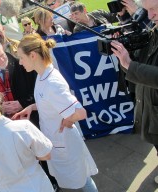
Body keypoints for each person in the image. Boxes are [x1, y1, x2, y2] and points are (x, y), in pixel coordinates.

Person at [13, 33, 98, 191]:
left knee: (83, 180)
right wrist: (32, 107)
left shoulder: (52, 83)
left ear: (33, 55)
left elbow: (80, 113)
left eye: (21, 57)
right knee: (80, 180)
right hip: (58, 142)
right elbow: (51, 103)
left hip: (65, 142)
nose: (20, 62)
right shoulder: (42, 75)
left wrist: (68, 120)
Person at [110, 0, 158, 184]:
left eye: (153, 9)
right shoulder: (154, 30)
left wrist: (130, 65)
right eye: (147, 10)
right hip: (151, 109)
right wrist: (126, 53)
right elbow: (141, 62)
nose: (150, 16)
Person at [0, 40, 38, 123]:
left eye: (2, 55)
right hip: (4, 126)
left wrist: (22, 103)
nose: (2, 59)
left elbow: (40, 93)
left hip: (32, 120)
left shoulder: (24, 66)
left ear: (3, 49)